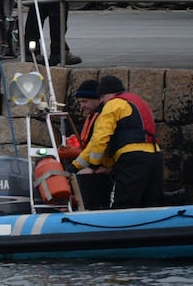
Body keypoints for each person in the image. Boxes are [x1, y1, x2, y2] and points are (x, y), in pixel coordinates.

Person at [66, 75, 164, 209]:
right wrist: (76, 166)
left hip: (133, 161)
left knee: (124, 204)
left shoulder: (112, 105)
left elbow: (99, 140)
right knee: (151, 203)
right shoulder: (135, 102)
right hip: (155, 156)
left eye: (101, 97)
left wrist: (93, 166)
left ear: (105, 95)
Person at [58, 79, 102, 164]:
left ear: (99, 99)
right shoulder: (92, 116)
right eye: (80, 102)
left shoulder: (103, 117)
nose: (82, 106)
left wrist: (75, 152)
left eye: (85, 101)